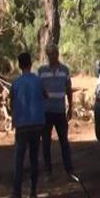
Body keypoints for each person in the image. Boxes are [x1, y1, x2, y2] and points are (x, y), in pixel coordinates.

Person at [8, 52, 45, 198]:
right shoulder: (38, 81)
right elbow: (45, 95)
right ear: (30, 64)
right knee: (34, 158)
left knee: (19, 159)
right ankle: (33, 192)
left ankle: (16, 194)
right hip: (37, 123)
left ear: (19, 65)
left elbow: (11, 103)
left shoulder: (16, 83)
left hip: (22, 124)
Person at [38, 43, 74, 177]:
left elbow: (69, 89)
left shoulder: (65, 70)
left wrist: (70, 107)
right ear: (47, 55)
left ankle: (69, 170)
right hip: (46, 112)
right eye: (50, 54)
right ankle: (48, 171)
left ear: (58, 54)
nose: (52, 56)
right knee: (46, 143)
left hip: (60, 111)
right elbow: (37, 88)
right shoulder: (41, 71)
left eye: (54, 53)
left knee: (64, 141)